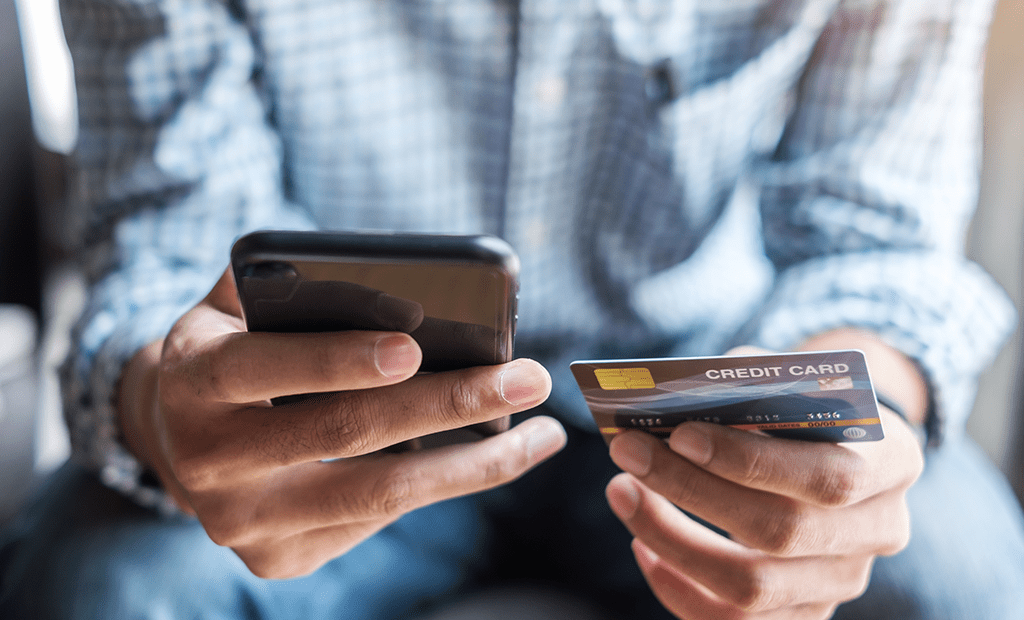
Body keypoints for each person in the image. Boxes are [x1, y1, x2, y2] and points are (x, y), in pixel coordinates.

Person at [3, 0, 1024, 618]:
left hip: (706, 392)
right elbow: (169, 249)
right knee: (103, 590)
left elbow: (870, 238)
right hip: (331, 419)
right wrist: (168, 414)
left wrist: (848, 422)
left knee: (964, 583)